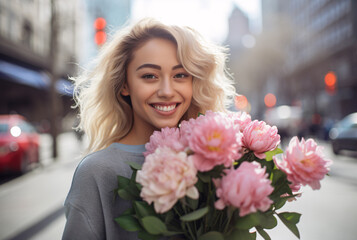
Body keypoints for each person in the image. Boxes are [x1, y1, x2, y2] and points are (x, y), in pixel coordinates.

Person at [62, 18, 236, 240]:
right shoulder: (97, 172)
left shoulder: (217, 160)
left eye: (180, 75)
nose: (166, 91)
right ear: (125, 84)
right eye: (149, 76)